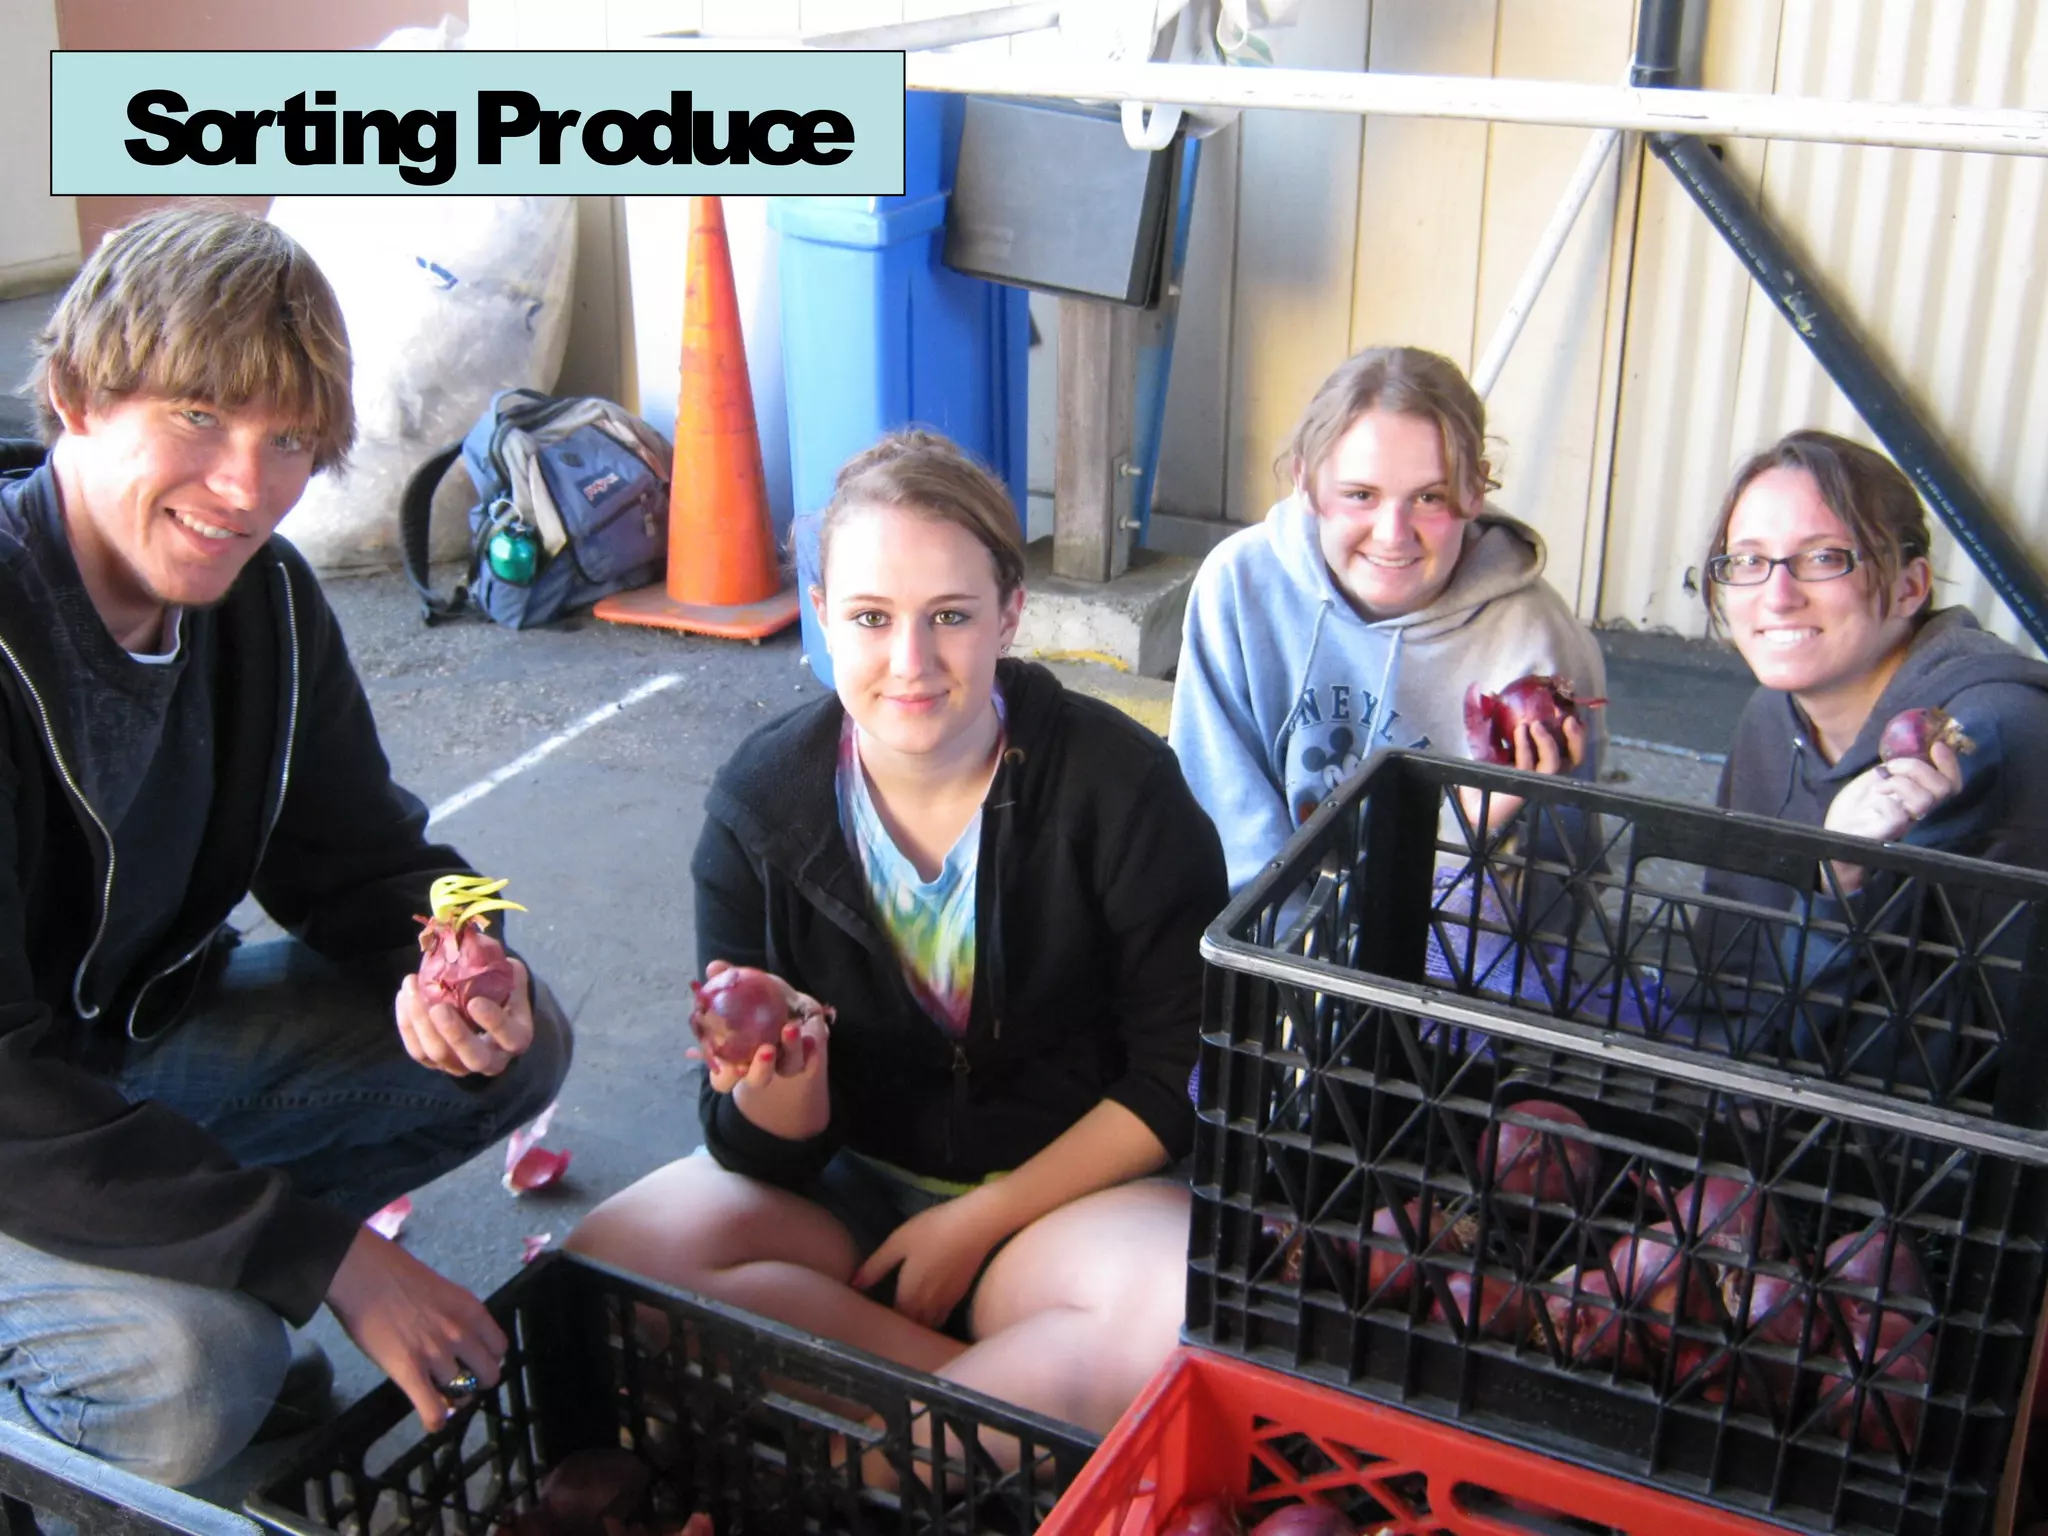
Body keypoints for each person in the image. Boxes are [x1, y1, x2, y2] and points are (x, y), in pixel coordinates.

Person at [0, 207, 571, 1485]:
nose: (249, 489)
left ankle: (153, 1282)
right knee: (198, 1373)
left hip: (95, 1067)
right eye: (198, 418)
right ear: (79, 393)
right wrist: (321, 1255)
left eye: (290, 443)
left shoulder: (261, 598)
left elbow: (380, 850)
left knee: (523, 1041)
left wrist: (473, 943)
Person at [567, 431, 1227, 1436]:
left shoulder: (1121, 791)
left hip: (1060, 1209)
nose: (909, 664)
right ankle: (1017, 1415)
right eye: (871, 618)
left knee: (1184, 1308)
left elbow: (1175, 1075)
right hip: (848, 1199)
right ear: (824, 616)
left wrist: (978, 1222)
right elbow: (755, 1155)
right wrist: (786, 1094)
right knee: (606, 1266)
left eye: (950, 617)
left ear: (1010, 613)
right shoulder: (759, 806)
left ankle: (882, 1441)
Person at [1169, 345, 1606, 893]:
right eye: (1360, 495)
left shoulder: (1539, 647)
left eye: (1428, 497)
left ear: (1475, 490)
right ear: (1305, 483)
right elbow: (1222, 838)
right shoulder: (1238, 587)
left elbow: (1557, 902)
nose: (1393, 534)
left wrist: (1475, 832)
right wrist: (1290, 964)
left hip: (1441, 961)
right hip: (1267, 946)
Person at [1695, 429, 2048, 1084]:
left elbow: (1978, 1062)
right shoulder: (1774, 715)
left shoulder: (1991, 737)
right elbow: (1732, 962)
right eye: (1747, 561)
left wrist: (1840, 889)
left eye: (1824, 557)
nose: (1776, 596)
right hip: (1777, 1115)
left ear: (1911, 586)